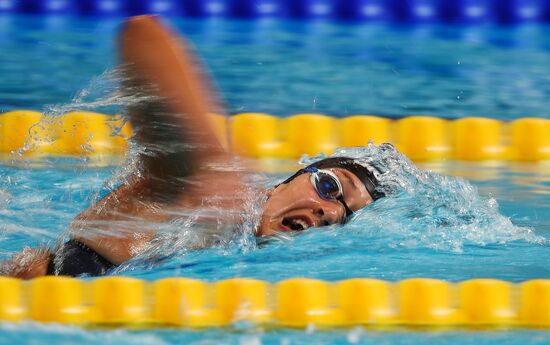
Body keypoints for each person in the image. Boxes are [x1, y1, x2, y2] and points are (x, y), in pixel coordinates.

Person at [0, 15, 385, 279]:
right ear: (284, 182)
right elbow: (143, 35)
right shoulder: (200, 195)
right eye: (331, 186)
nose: (330, 211)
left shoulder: (242, 256)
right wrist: (211, 167)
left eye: (345, 216)